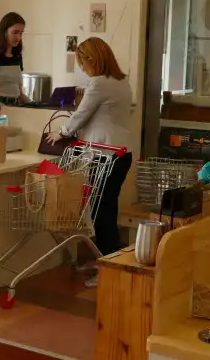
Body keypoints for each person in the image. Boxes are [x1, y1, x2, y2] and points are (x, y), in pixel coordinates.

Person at [46, 37, 132, 286]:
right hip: (121, 154)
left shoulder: (99, 84)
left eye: (83, 63)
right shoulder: (121, 80)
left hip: (106, 154)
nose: (82, 69)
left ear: (92, 60)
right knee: (107, 209)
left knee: (100, 213)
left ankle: (108, 269)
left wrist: (60, 132)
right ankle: (107, 261)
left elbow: (80, 115)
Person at [0, 12, 30, 105]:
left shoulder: (17, 57)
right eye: (15, 32)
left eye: (21, 33)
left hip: (17, 106)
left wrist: (34, 105)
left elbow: (19, 93)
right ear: (4, 31)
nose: (18, 37)